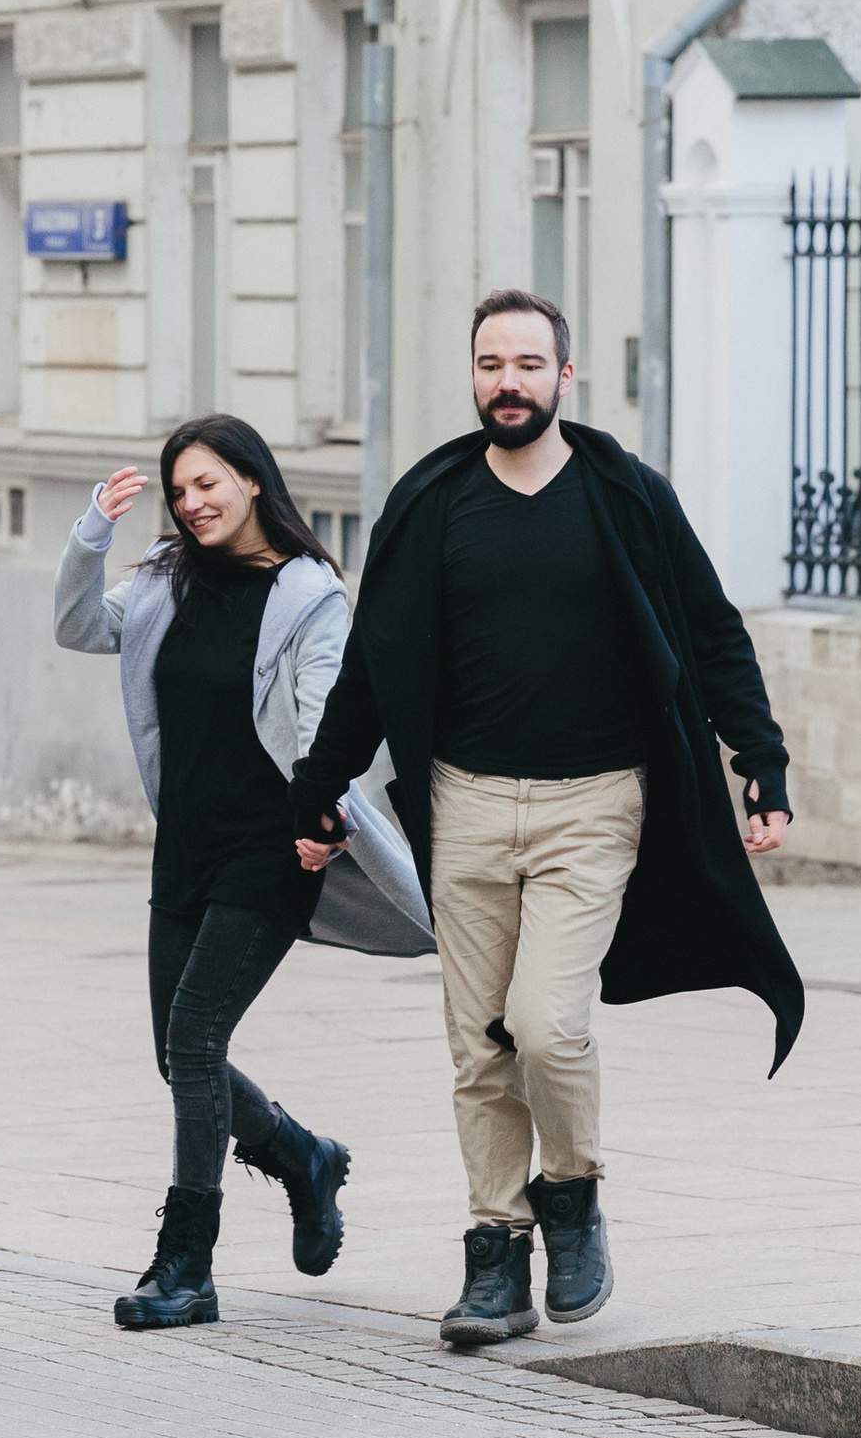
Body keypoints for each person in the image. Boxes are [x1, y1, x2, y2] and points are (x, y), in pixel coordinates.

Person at [291, 292, 799, 1348]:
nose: (507, 382)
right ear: (474, 377)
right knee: (478, 1049)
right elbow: (373, 668)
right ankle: (493, 1254)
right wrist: (320, 789)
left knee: (545, 1024)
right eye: (490, 364)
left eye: (528, 363)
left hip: (594, 807)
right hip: (464, 807)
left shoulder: (623, 496)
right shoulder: (431, 501)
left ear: (566, 378)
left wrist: (761, 762)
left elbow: (711, 634)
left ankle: (570, 1192)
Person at [56, 414, 430, 1331]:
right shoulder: (161, 581)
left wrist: (321, 818)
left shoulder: (308, 596)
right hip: (184, 843)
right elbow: (76, 627)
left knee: (192, 1038)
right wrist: (91, 534)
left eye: (208, 484)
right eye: (180, 492)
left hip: (272, 848)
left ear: (253, 481)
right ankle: (303, 1155)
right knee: (178, 1054)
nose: (192, 504)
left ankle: (187, 1261)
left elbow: (320, 723)